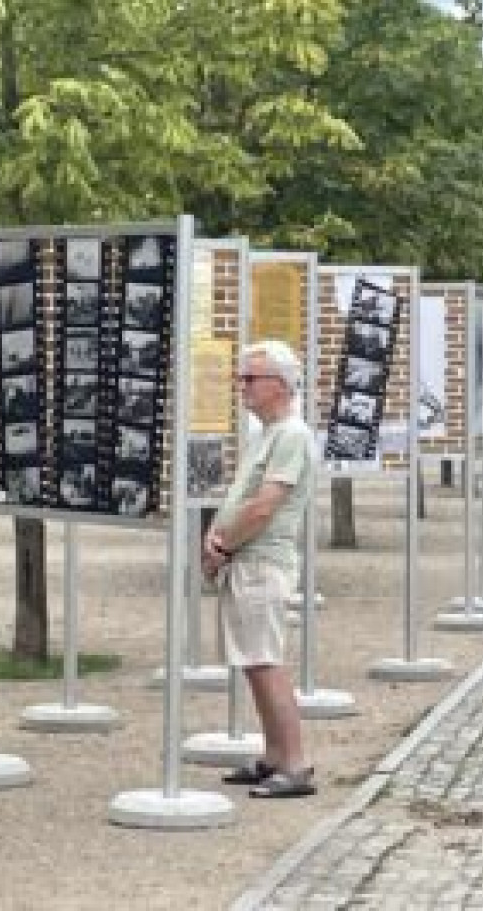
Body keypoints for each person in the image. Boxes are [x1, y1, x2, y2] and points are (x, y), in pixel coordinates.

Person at [203, 340, 317, 798]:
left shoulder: (291, 435)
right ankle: (273, 756)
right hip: (244, 561)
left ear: (281, 385)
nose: (242, 386)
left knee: (267, 662)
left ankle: (295, 763)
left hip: (261, 563)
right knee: (253, 663)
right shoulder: (264, 434)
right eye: (242, 377)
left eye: (251, 378)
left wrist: (223, 547)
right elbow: (242, 498)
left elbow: (264, 506)